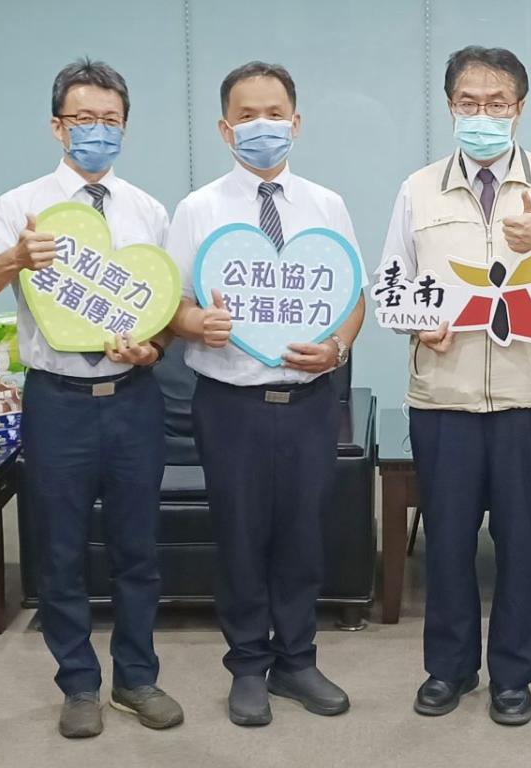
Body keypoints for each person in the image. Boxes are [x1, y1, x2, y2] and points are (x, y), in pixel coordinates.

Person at [381, 45, 531, 726]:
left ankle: (515, 675)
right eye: (470, 103)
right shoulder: (417, 188)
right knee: (449, 540)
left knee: (521, 541)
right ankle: (448, 669)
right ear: (450, 106)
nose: (483, 115)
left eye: (498, 103)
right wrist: (415, 324)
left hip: (530, 396)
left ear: (519, 109)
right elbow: (391, 283)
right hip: (443, 396)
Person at [0, 59, 183, 739]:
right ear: (57, 126)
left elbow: (165, 311)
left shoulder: (147, 209)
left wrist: (153, 349)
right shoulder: (20, 208)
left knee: (139, 546)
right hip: (57, 400)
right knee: (58, 549)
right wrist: (16, 259)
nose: (98, 133)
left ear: (125, 128)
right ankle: (78, 683)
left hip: (136, 397)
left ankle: (137, 680)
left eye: (110, 121)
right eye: (84, 120)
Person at [167, 61, 366, 727]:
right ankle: (248, 664)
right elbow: (173, 307)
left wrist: (337, 348)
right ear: (225, 128)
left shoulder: (326, 204)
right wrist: (198, 321)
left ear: (297, 122)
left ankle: (298, 660)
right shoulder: (198, 210)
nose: (262, 126)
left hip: (309, 402)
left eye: (274, 112)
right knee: (241, 536)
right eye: (247, 115)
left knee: (303, 535)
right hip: (231, 405)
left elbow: (353, 297)